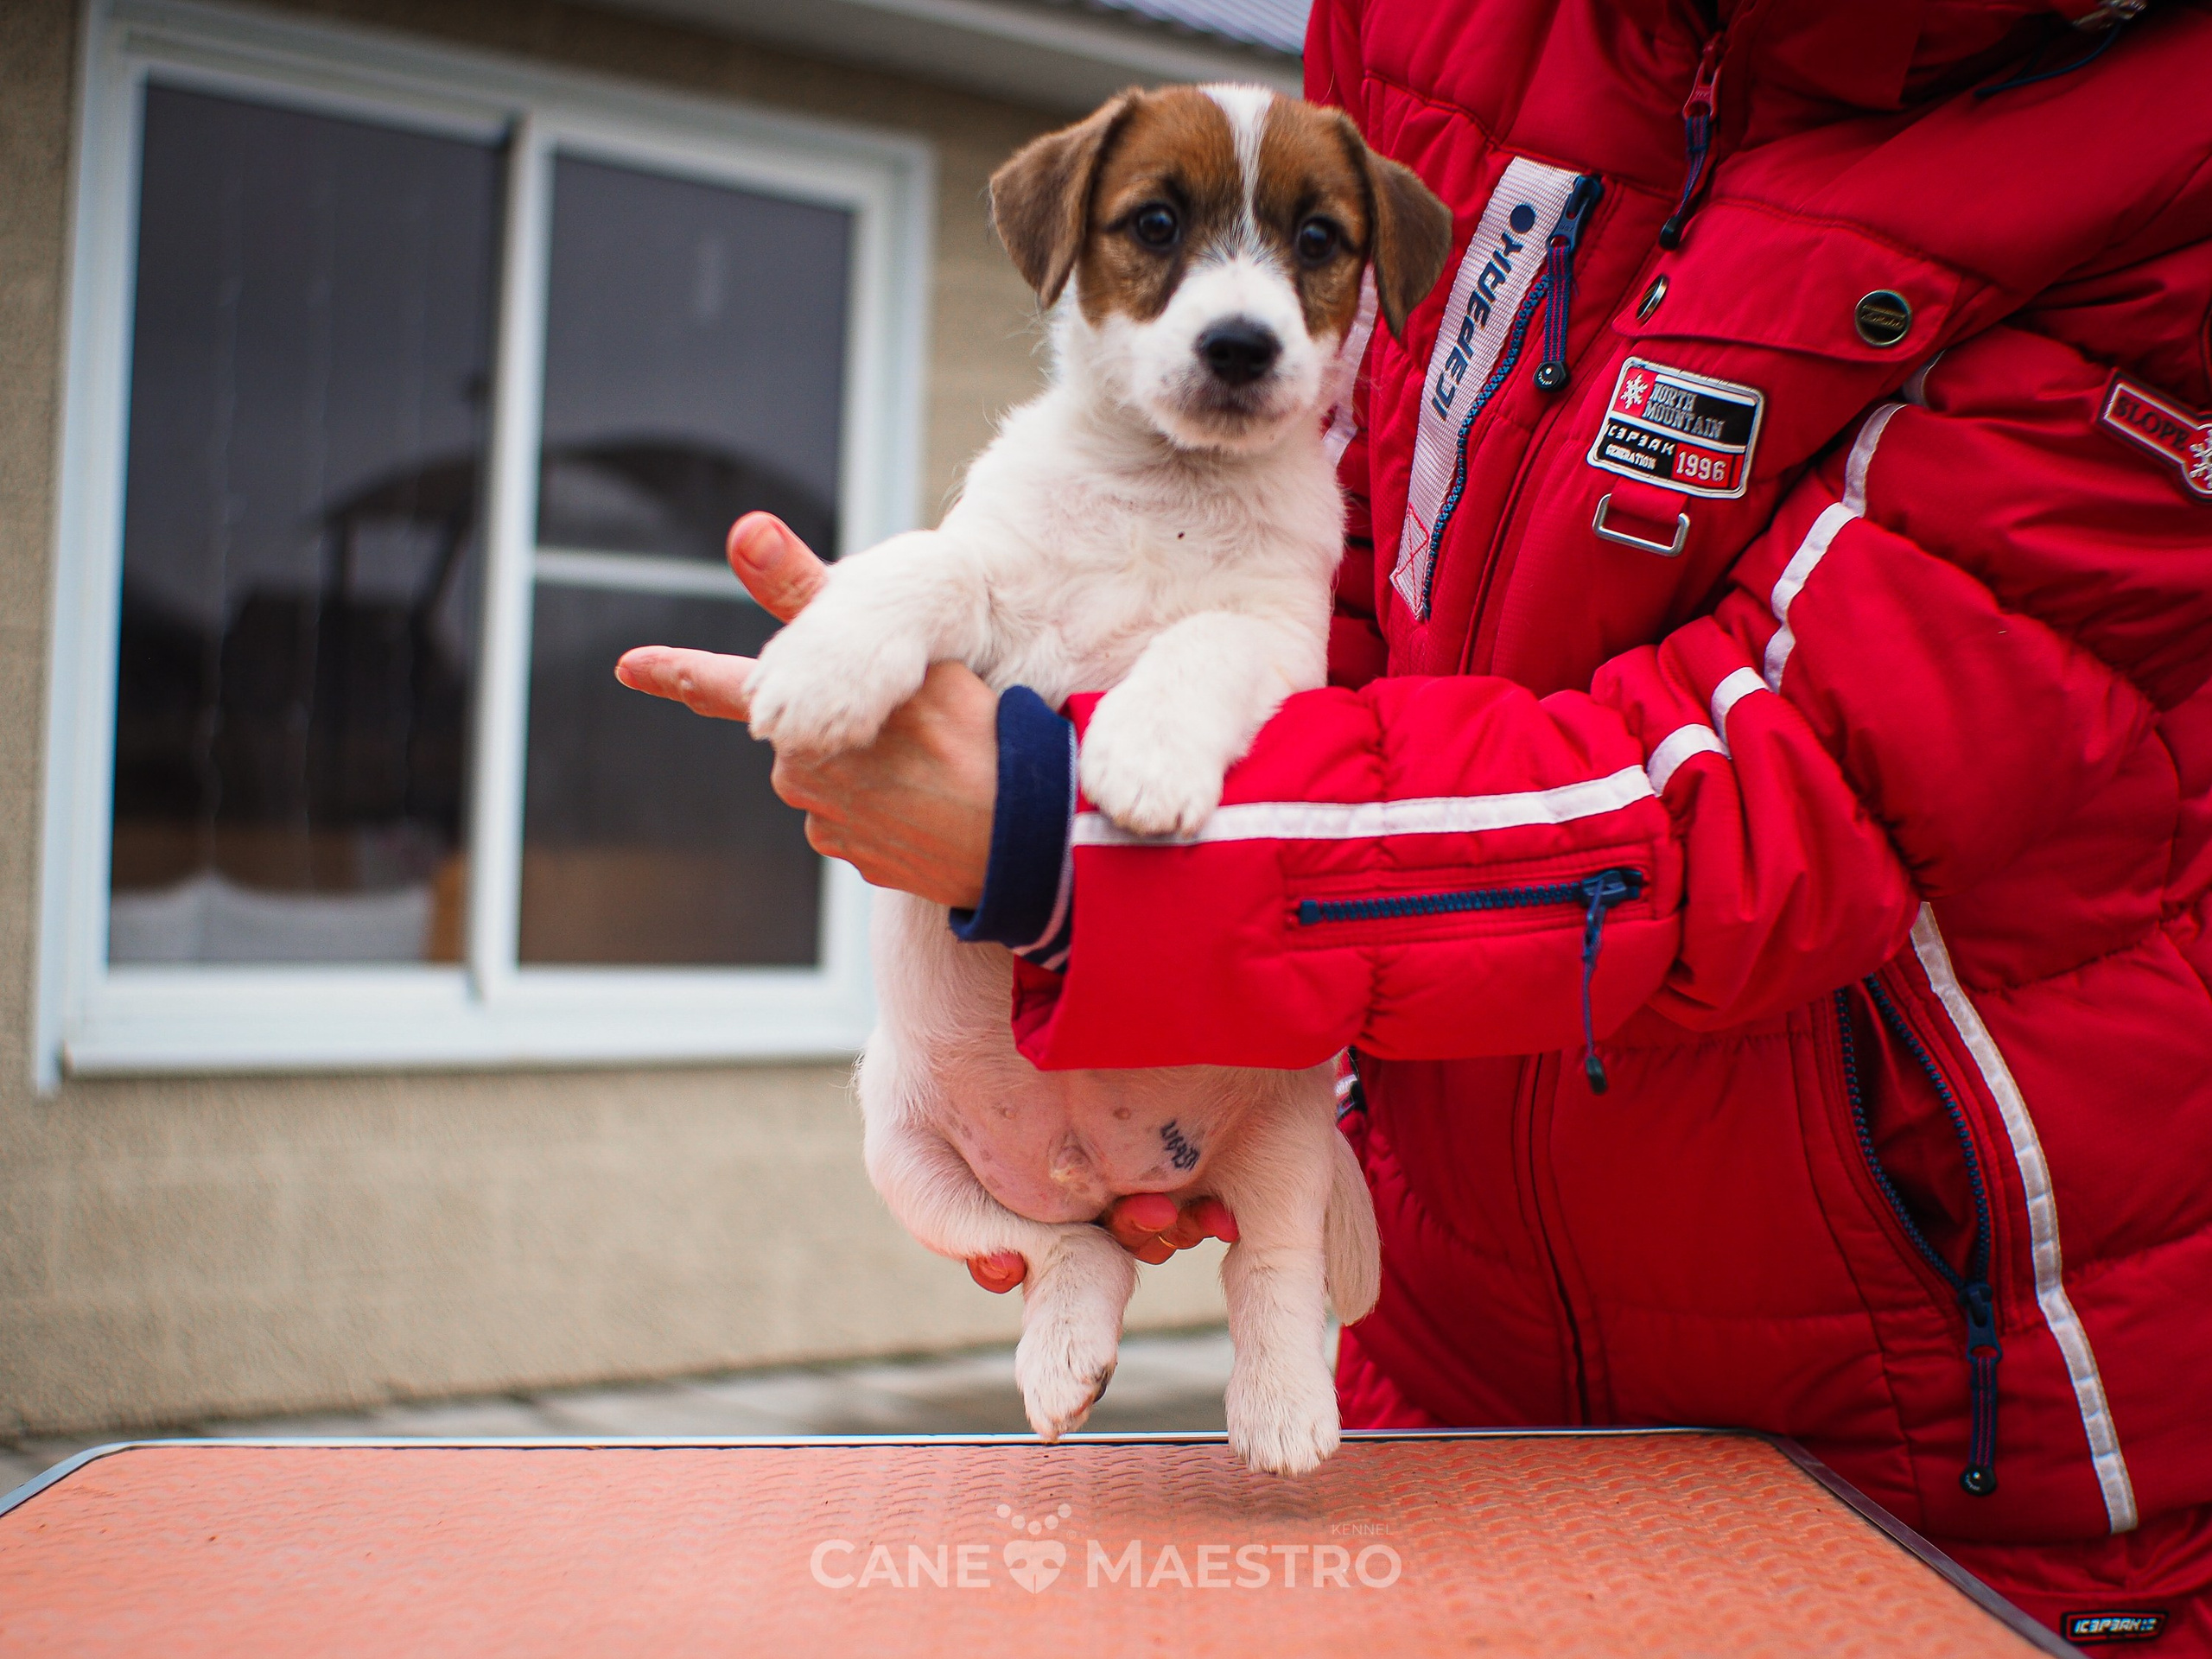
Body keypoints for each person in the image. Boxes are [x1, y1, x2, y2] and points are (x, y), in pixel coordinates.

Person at [619, 0, 2212, 1643]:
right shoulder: (1436, 23)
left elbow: (1788, 794)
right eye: (1162, 236)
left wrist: (1054, 834)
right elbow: (1366, 574)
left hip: (1941, 1430)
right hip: (1445, 1368)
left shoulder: (2167, 148)